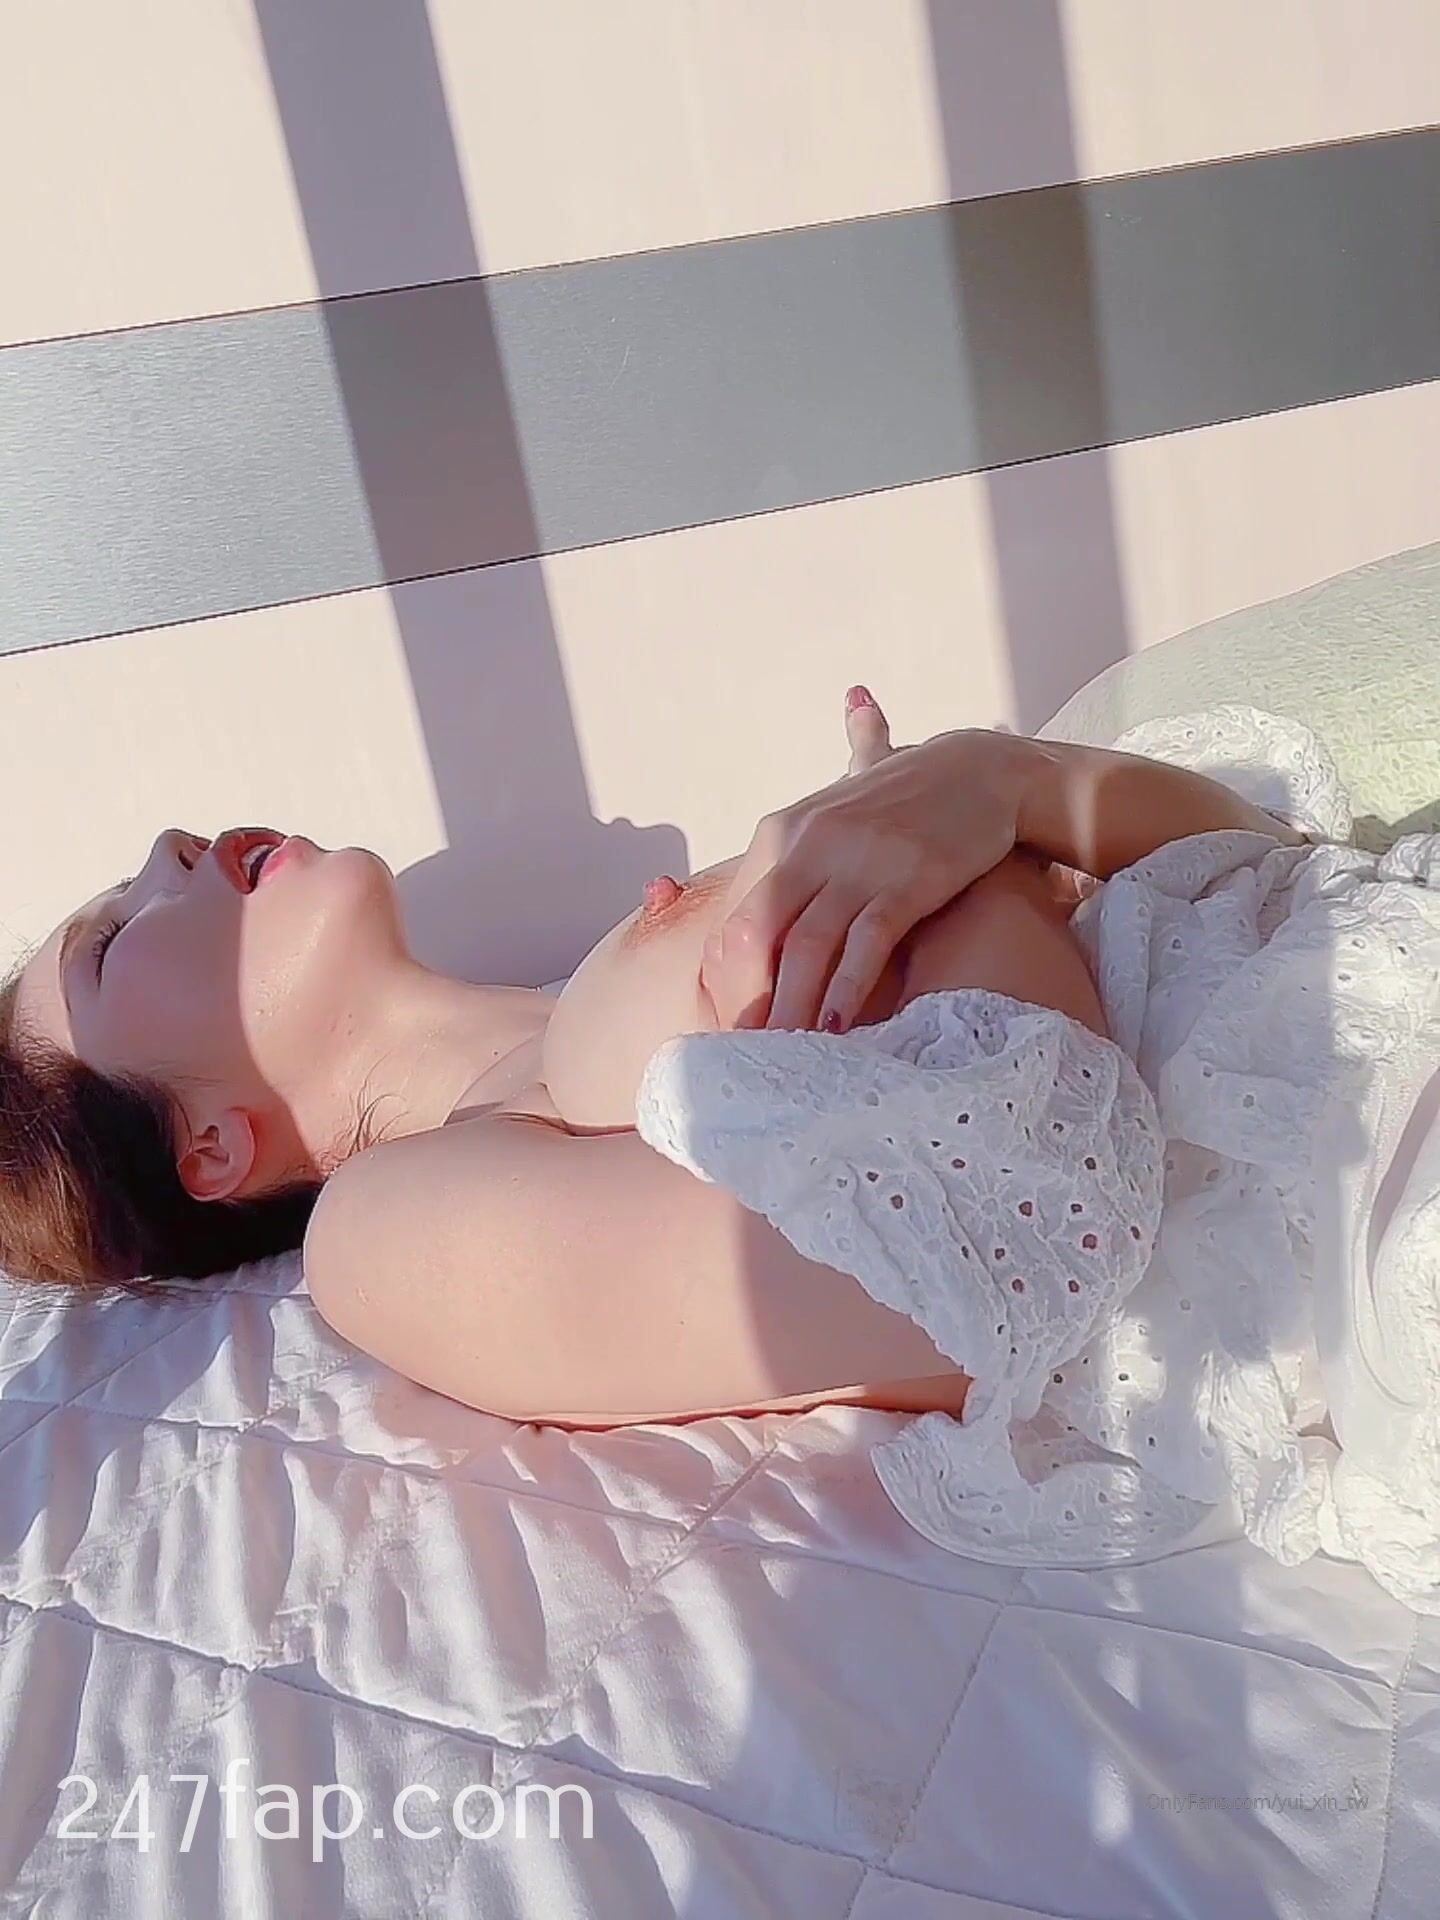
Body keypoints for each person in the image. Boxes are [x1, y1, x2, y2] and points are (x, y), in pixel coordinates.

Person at [0, 689, 1302, 1428]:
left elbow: (1261, 853)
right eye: (111, 943)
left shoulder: (602, 977)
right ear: (209, 1147)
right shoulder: (385, 1234)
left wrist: (984, 782)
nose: (170, 846)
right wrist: (975, 856)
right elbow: (1009, 1250)